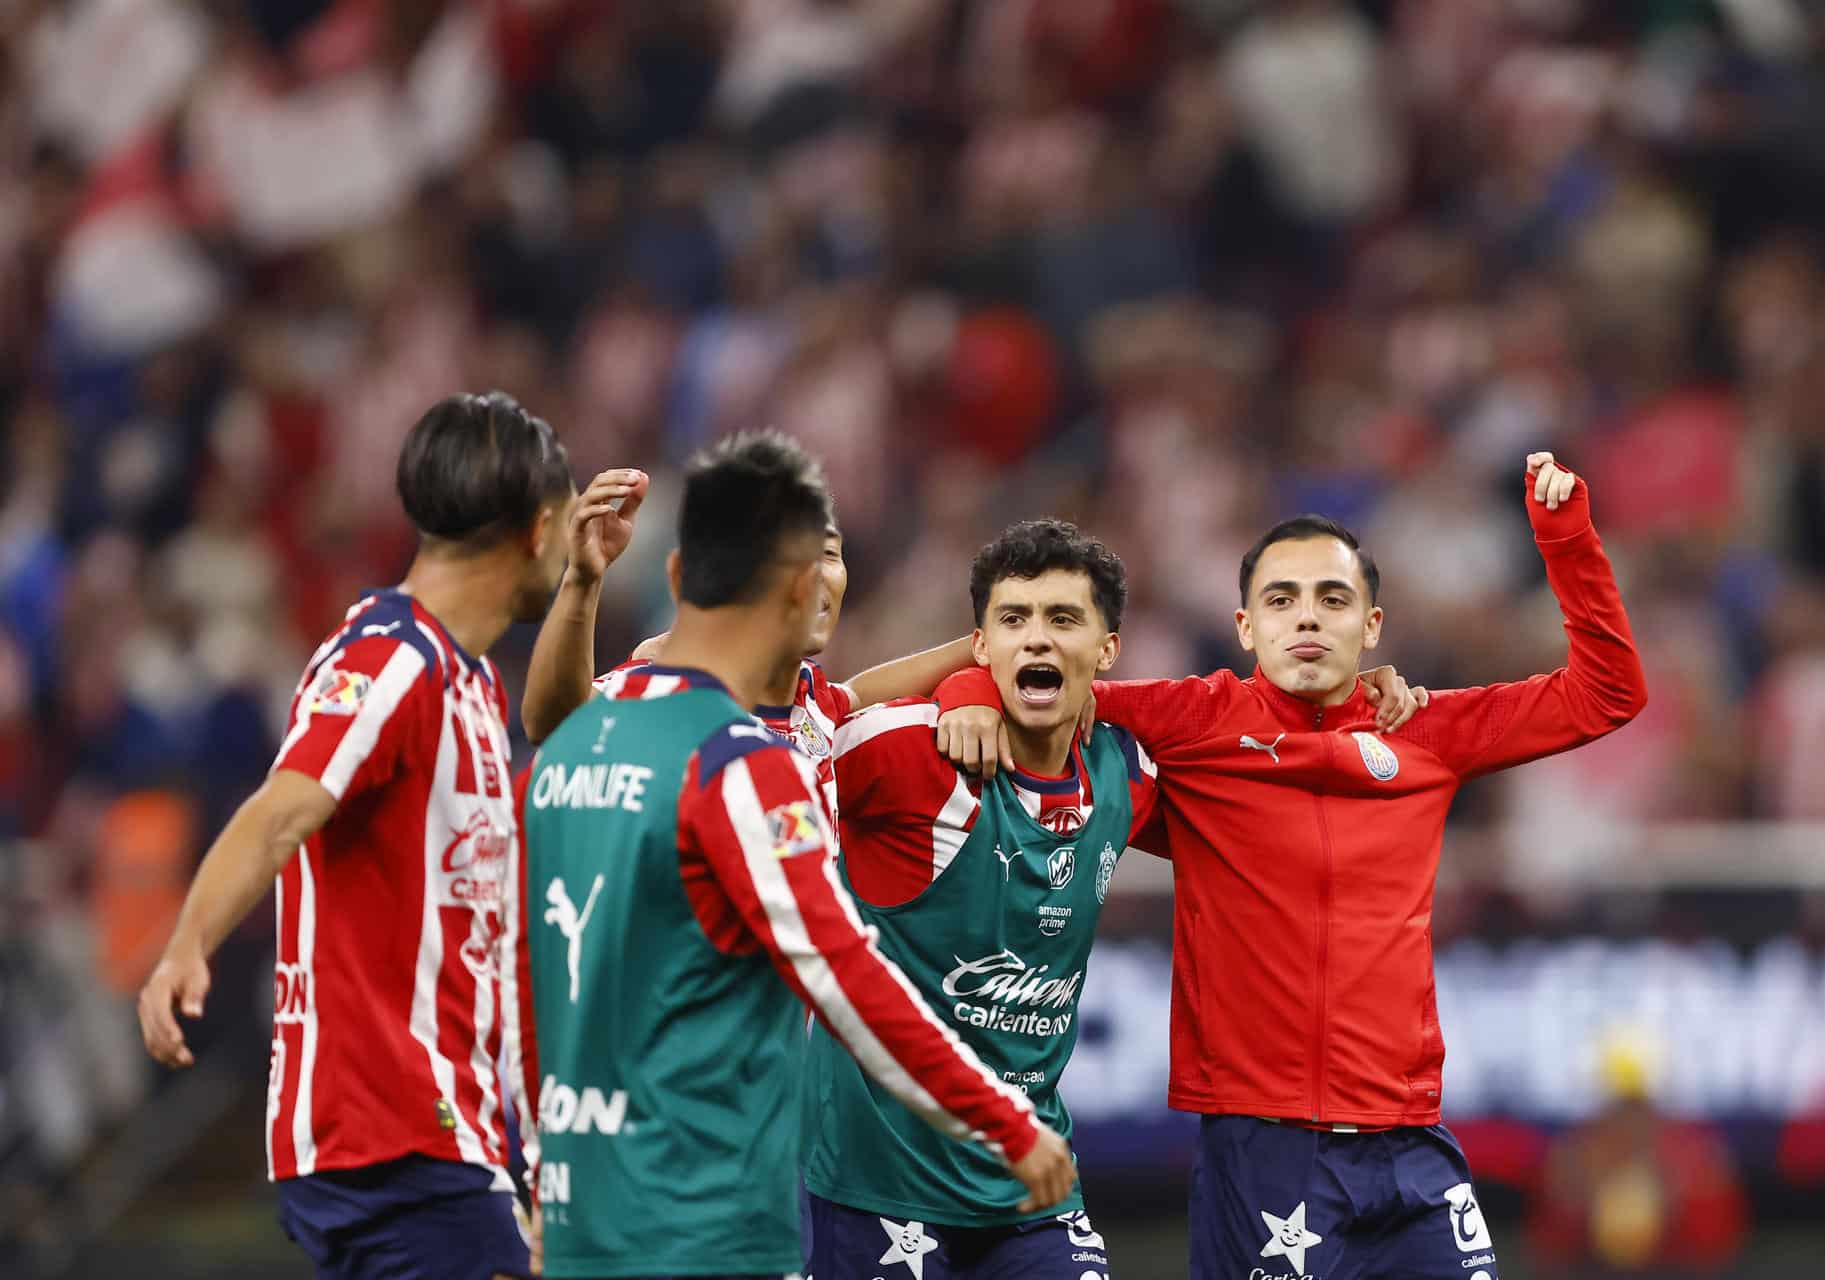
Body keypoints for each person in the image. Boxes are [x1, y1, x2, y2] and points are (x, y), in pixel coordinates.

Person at [937, 453, 1647, 1280]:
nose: (1306, 617)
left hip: (1412, 1140)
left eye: (1332, 599)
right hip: (1266, 1150)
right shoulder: (1195, 717)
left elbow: (1609, 693)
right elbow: (1034, 681)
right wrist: (965, 695)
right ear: (1245, 627)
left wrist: (1566, 540)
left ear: (1371, 627)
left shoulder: (1425, 731)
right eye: (1281, 600)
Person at [515, 433, 1075, 1280]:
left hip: (618, 1176)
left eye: (836, 553)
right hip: (704, 1185)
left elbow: (529, 976)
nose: (823, 575)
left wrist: (982, 657)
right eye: (807, 558)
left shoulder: (609, 750)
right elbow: (844, 973)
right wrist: (999, 1121)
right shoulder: (728, 758)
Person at [135, 392, 579, 1280]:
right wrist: (188, 943)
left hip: (454, 1129)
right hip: (394, 1131)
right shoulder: (391, 657)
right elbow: (281, 809)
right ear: (536, 531)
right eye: (567, 529)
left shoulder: (473, 684)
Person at [802, 519, 1160, 1280]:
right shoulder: (905, 749)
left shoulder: (1127, 771)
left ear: (1107, 650)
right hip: (874, 1185)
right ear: (980, 645)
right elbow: (797, 730)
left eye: (1062, 619)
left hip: (1029, 1184)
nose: (1037, 638)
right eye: (1013, 619)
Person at [518, 468, 980, 821]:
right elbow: (559, 721)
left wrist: (985, 651)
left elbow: (856, 693)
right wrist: (583, 579)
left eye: (828, 553)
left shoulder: (810, 698)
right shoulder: (668, 688)